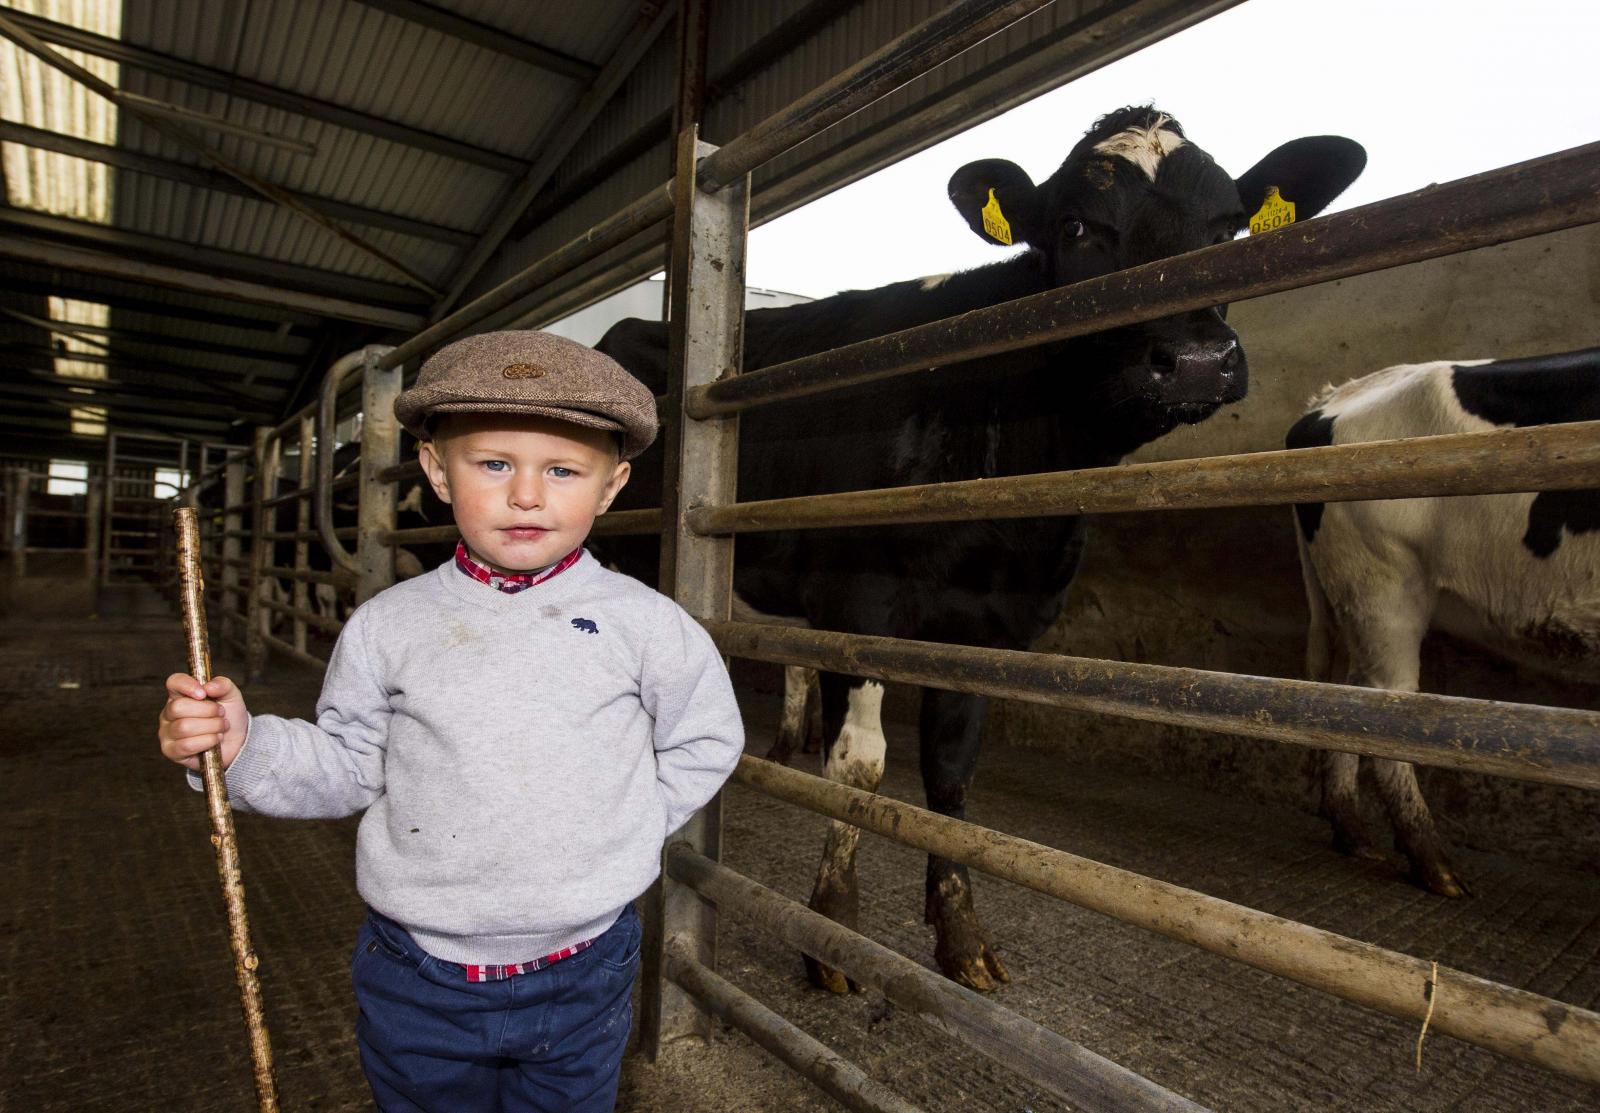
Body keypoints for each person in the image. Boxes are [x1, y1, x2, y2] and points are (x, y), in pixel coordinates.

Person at [157, 330, 745, 1112]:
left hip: (584, 966)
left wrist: (624, 824)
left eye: (563, 470)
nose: (527, 494)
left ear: (611, 486)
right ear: (436, 468)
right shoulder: (387, 625)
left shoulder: (649, 626)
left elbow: (707, 737)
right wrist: (240, 744)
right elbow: (346, 761)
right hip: (416, 972)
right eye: (494, 463)